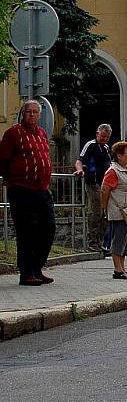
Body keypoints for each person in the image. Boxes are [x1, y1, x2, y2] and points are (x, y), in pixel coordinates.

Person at [0, 99, 56, 286]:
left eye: (35, 112)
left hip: (42, 189)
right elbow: (4, 159)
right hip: (22, 190)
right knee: (27, 232)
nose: (31, 115)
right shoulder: (13, 133)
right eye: (28, 112)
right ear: (22, 114)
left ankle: (37, 267)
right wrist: (11, 180)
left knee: (48, 229)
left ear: (40, 115)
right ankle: (26, 273)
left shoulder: (41, 133)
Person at [100, 141, 127, 279]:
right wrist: (105, 209)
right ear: (118, 155)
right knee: (119, 240)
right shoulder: (113, 171)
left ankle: (122, 268)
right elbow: (104, 191)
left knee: (125, 241)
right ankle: (118, 269)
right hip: (120, 211)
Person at [74, 124, 113, 255]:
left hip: (105, 184)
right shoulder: (90, 145)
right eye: (102, 136)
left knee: (105, 214)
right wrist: (80, 171)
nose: (104, 139)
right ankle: (92, 242)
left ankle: (100, 242)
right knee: (96, 211)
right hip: (93, 183)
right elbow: (79, 160)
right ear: (97, 134)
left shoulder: (106, 148)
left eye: (107, 137)